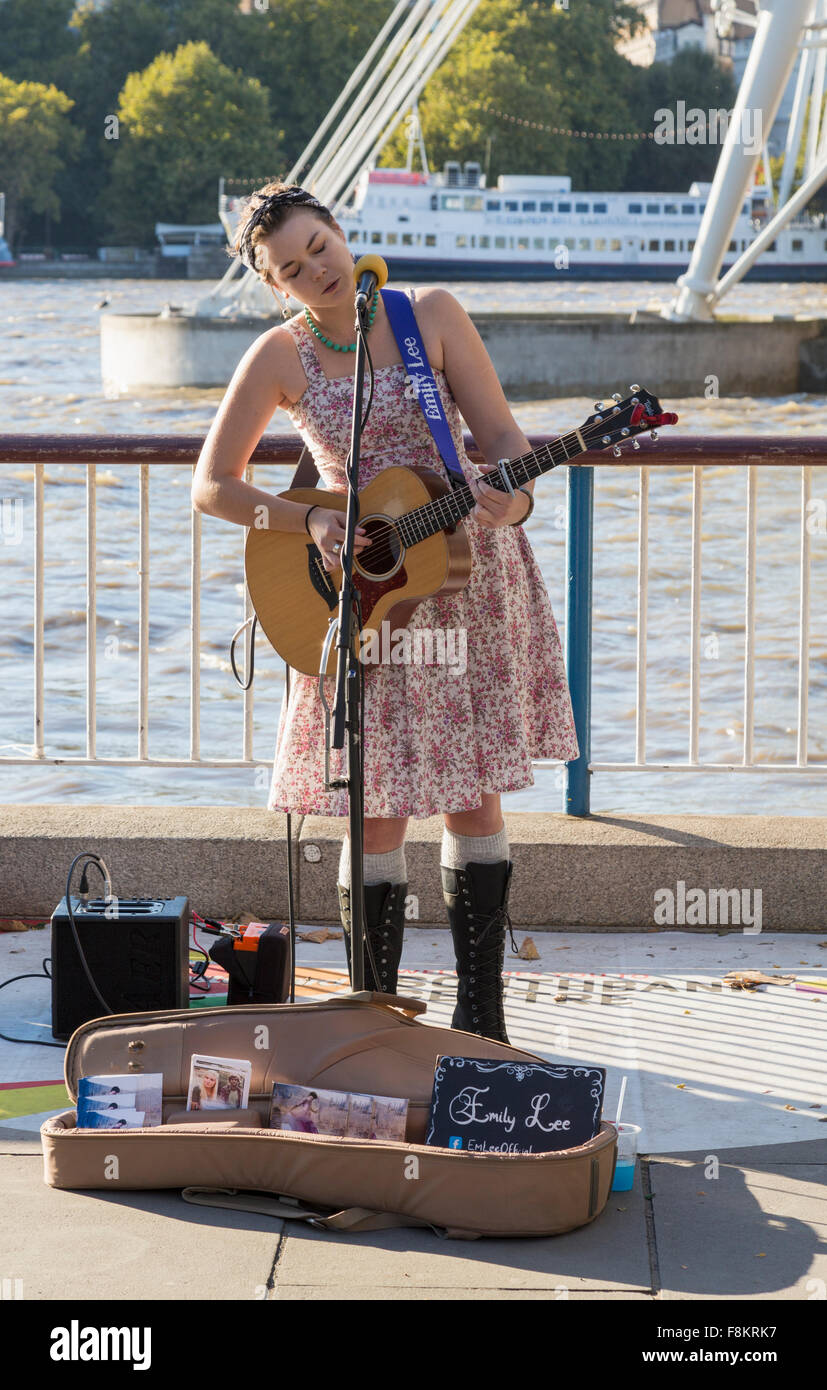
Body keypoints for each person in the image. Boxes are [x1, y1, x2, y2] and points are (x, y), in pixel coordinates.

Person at [192, 182, 579, 1044]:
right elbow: (213, 487)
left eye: (318, 246)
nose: (316, 270)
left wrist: (506, 505)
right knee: (376, 806)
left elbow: (507, 445)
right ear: (276, 285)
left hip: (470, 583)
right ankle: (377, 1029)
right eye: (291, 268)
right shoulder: (278, 356)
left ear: (340, 232)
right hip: (366, 595)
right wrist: (314, 520)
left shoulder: (429, 313)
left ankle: (482, 1019)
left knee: (473, 798)